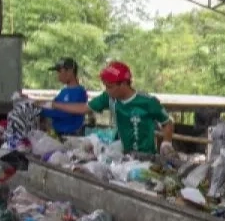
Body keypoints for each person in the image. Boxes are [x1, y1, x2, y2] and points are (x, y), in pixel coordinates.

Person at [45, 61, 175, 155]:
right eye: (105, 86)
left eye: (110, 86)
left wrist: (166, 142)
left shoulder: (148, 101)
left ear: (123, 84)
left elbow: (167, 122)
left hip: (146, 156)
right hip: (123, 154)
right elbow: (83, 108)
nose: (107, 90)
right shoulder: (109, 98)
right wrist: (54, 105)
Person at [40, 58, 88, 137]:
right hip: (58, 134)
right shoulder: (63, 91)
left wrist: (40, 110)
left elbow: (65, 113)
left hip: (71, 136)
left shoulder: (79, 92)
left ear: (70, 71)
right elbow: (52, 106)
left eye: (59, 71)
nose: (58, 75)